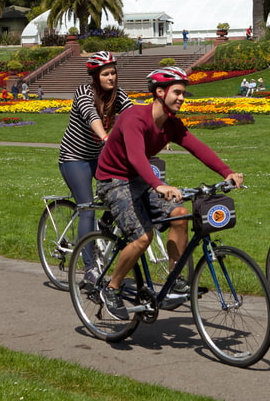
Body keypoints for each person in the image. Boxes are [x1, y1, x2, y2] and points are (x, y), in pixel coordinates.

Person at [94, 66, 244, 320]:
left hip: (141, 179)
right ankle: (112, 288)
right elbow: (136, 156)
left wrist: (226, 172)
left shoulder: (171, 124)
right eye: (177, 92)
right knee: (143, 238)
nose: (182, 98)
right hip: (114, 180)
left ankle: (174, 279)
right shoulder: (133, 118)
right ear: (160, 92)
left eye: (184, 93)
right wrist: (159, 185)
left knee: (180, 214)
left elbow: (198, 147)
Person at [58, 52, 134, 274]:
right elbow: (92, 116)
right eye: (105, 74)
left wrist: (155, 132)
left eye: (113, 72)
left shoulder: (117, 95)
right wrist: (104, 136)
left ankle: (103, 228)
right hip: (74, 158)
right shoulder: (84, 92)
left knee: (121, 192)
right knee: (87, 208)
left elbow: (133, 114)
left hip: (99, 157)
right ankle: (90, 268)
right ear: (95, 76)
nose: (111, 77)